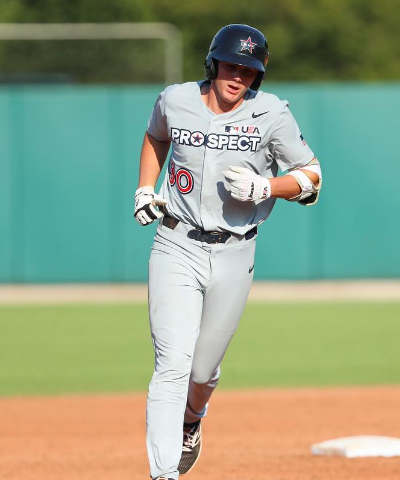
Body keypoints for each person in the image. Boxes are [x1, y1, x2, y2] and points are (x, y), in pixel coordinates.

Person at [134, 23, 322, 480]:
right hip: (176, 241)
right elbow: (157, 135)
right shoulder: (175, 99)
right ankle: (163, 474)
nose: (238, 76)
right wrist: (145, 187)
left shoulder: (272, 114)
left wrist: (268, 186)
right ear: (213, 62)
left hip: (236, 251)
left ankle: (192, 423)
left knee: (202, 372)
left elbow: (311, 175)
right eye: (231, 65)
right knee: (172, 363)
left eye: (249, 69)